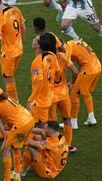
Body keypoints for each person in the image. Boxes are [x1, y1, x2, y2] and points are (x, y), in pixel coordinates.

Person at [33, 18, 78, 152]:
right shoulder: (62, 57)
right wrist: (70, 84)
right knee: (67, 119)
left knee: (50, 124)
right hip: (63, 93)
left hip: (50, 95)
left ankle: (50, 148)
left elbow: (40, 81)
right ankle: (68, 146)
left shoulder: (43, 61)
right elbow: (75, 71)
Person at [0, 97, 34, 181]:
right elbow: (11, 117)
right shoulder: (7, 98)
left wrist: (5, 137)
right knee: (16, 147)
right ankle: (16, 174)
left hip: (20, 124)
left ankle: (7, 178)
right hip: (29, 120)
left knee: (5, 149)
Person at [66, 39, 102, 128]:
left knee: (74, 93)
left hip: (88, 70)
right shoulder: (73, 42)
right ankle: (91, 117)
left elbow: (73, 70)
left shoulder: (67, 50)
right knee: (85, 92)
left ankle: (73, 122)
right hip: (98, 67)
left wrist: (72, 83)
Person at [27, 33, 60, 128]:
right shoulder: (52, 56)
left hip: (40, 101)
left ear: (38, 45)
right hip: (49, 96)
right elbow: (58, 73)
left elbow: (40, 83)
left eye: (35, 39)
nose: (33, 40)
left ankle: (47, 143)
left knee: (40, 128)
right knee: (42, 126)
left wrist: (30, 100)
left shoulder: (37, 62)